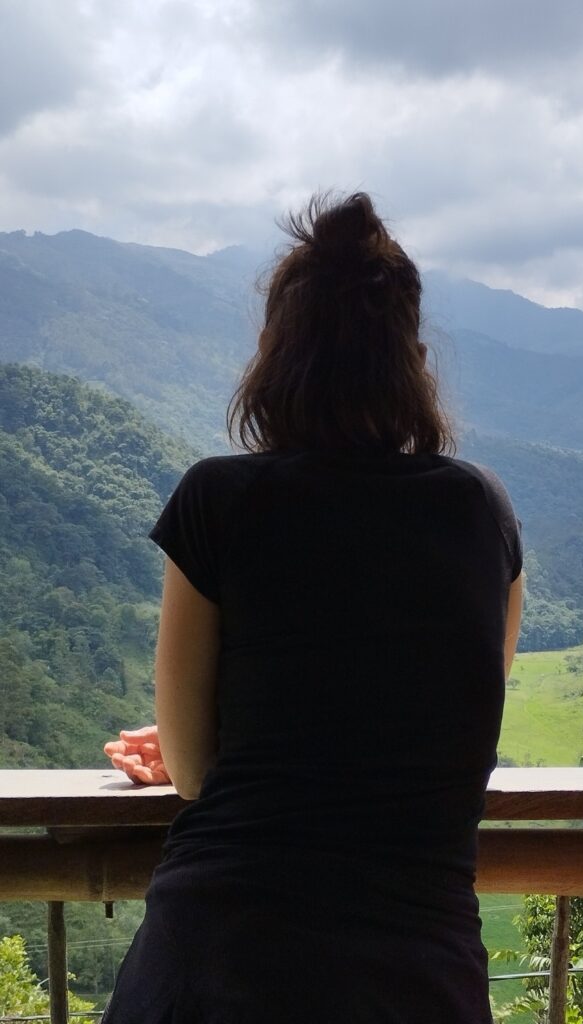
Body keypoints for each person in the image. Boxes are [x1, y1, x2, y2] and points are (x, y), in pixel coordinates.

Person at [101, 192, 523, 1023]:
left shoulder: (217, 501)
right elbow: (453, 721)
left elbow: (191, 772)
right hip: (418, 971)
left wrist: (227, 740)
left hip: (219, 958)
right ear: (415, 360)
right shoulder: (484, 512)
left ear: (271, 353)